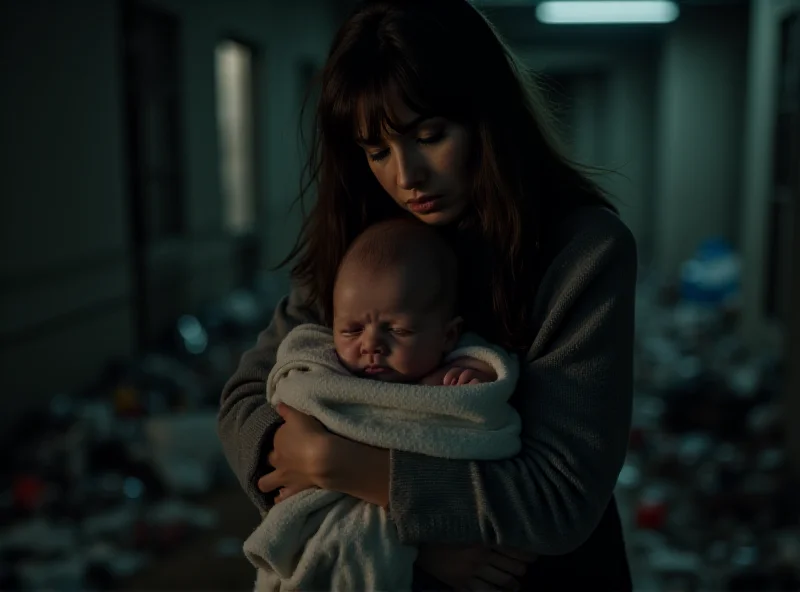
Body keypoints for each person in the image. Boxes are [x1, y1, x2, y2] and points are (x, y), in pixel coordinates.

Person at [218, 0, 637, 589]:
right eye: (376, 151)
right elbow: (243, 402)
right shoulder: (361, 247)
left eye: (430, 136)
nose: (405, 176)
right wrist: (414, 542)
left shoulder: (582, 251)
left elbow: (559, 496)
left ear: (489, 118)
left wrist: (335, 464)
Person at [244, 218, 524, 592]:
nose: (370, 345)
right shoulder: (321, 370)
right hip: (328, 522)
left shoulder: (460, 383)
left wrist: (473, 380)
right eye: (352, 330)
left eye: (398, 330)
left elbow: (485, 431)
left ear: (448, 335)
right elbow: (286, 396)